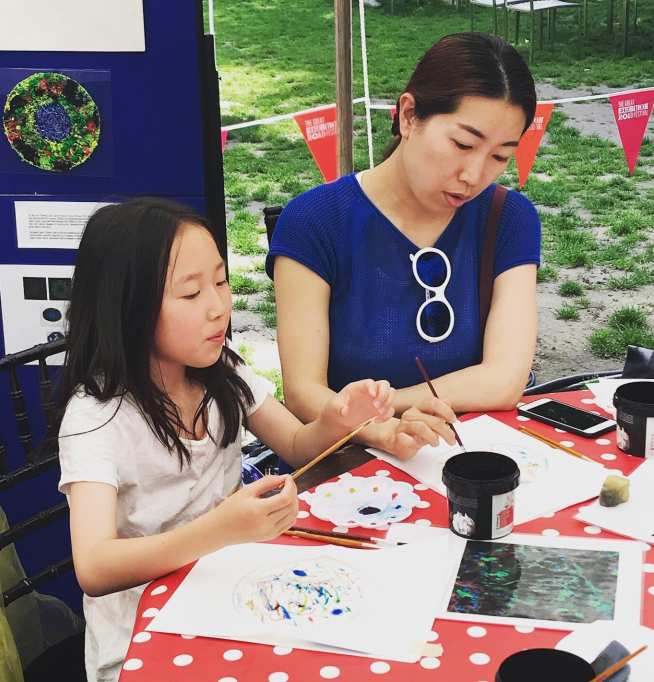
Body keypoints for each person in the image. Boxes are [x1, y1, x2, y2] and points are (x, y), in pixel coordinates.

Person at [55, 198, 456, 682]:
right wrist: (221, 529)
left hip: (231, 593)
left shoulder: (218, 369)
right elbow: (94, 566)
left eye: (221, 282)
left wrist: (341, 419)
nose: (218, 306)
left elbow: (296, 443)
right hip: (144, 643)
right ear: (127, 306)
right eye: (190, 294)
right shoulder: (97, 417)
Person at [267, 32, 541, 462]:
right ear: (409, 115)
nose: (474, 174)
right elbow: (303, 393)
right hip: (349, 465)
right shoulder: (316, 221)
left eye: (500, 156)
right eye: (463, 145)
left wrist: (389, 404)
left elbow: (505, 380)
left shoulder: (508, 218)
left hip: (467, 459)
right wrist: (379, 428)